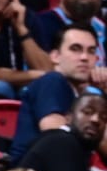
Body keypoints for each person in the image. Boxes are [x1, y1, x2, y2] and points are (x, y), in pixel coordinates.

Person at [11, 23, 100, 163]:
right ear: (55, 56)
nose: (84, 57)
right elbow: (56, 134)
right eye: (75, 49)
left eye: (91, 51)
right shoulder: (53, 80)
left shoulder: (85, 96)